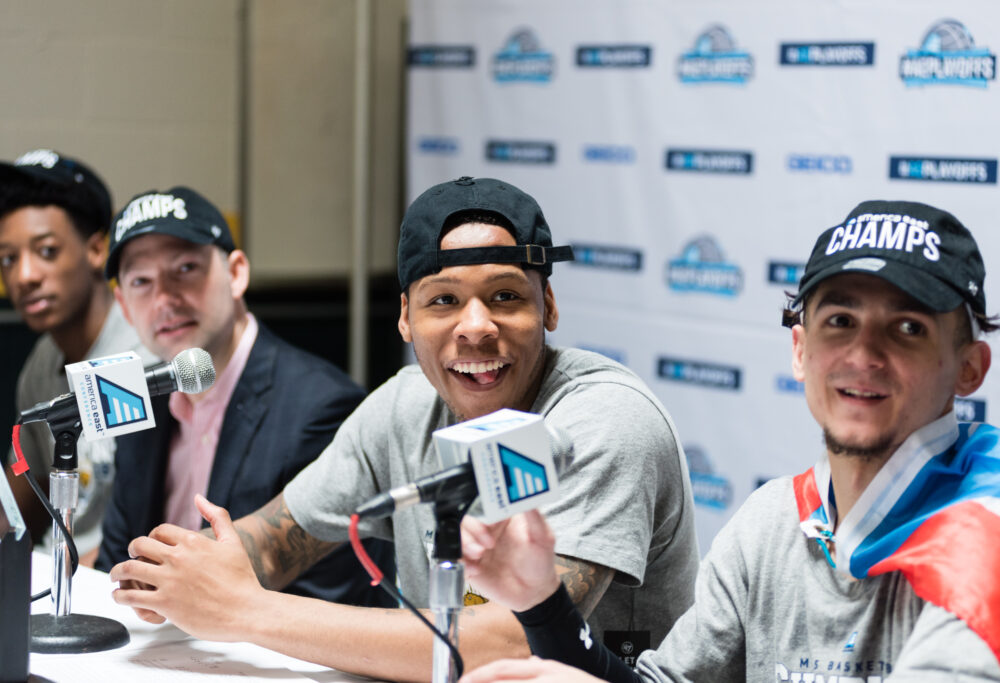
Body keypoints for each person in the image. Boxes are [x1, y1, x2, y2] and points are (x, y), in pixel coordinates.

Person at [108, 176, 699, 681]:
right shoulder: (403, 405)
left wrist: (244, 610)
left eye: (504, 296)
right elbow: (272, 540)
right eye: (442, 301)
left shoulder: (605, 419)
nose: (476, 327)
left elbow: (514, 641)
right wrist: (180, 575)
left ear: (548, 305)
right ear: (405, 320)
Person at [458, 199, 1000, 682]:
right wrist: (543, 604)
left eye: (908, 328)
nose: (863, 355)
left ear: (969, 369)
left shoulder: (985, 528)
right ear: (800, 351)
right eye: (839, 320)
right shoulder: (772, 522)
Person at [95, 186, 393, 607]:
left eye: (184, 268)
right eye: (141, 281)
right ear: (124, 306)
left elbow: (332, 598)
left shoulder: (320, 407)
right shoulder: (141, 398)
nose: (164, 298)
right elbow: (116, 562)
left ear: (236, 273)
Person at [0, 148, 155, 566]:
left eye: (47, 250)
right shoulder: (41, 364)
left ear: (96, 250)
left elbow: (153, 524)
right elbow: (19, 506)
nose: (25, 275)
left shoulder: (143, 355)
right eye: (8, 258)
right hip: (58, 578)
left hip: (116, 586)